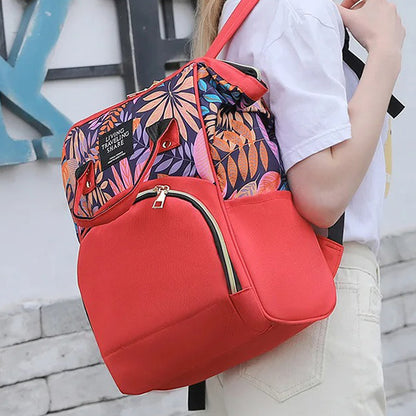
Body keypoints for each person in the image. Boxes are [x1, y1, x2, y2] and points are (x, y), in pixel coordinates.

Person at [191, 0, 406, 414]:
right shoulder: (297, 10)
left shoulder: (249, 12)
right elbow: (322, 194)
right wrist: (386, 53)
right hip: (314, 305)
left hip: (260, 307)